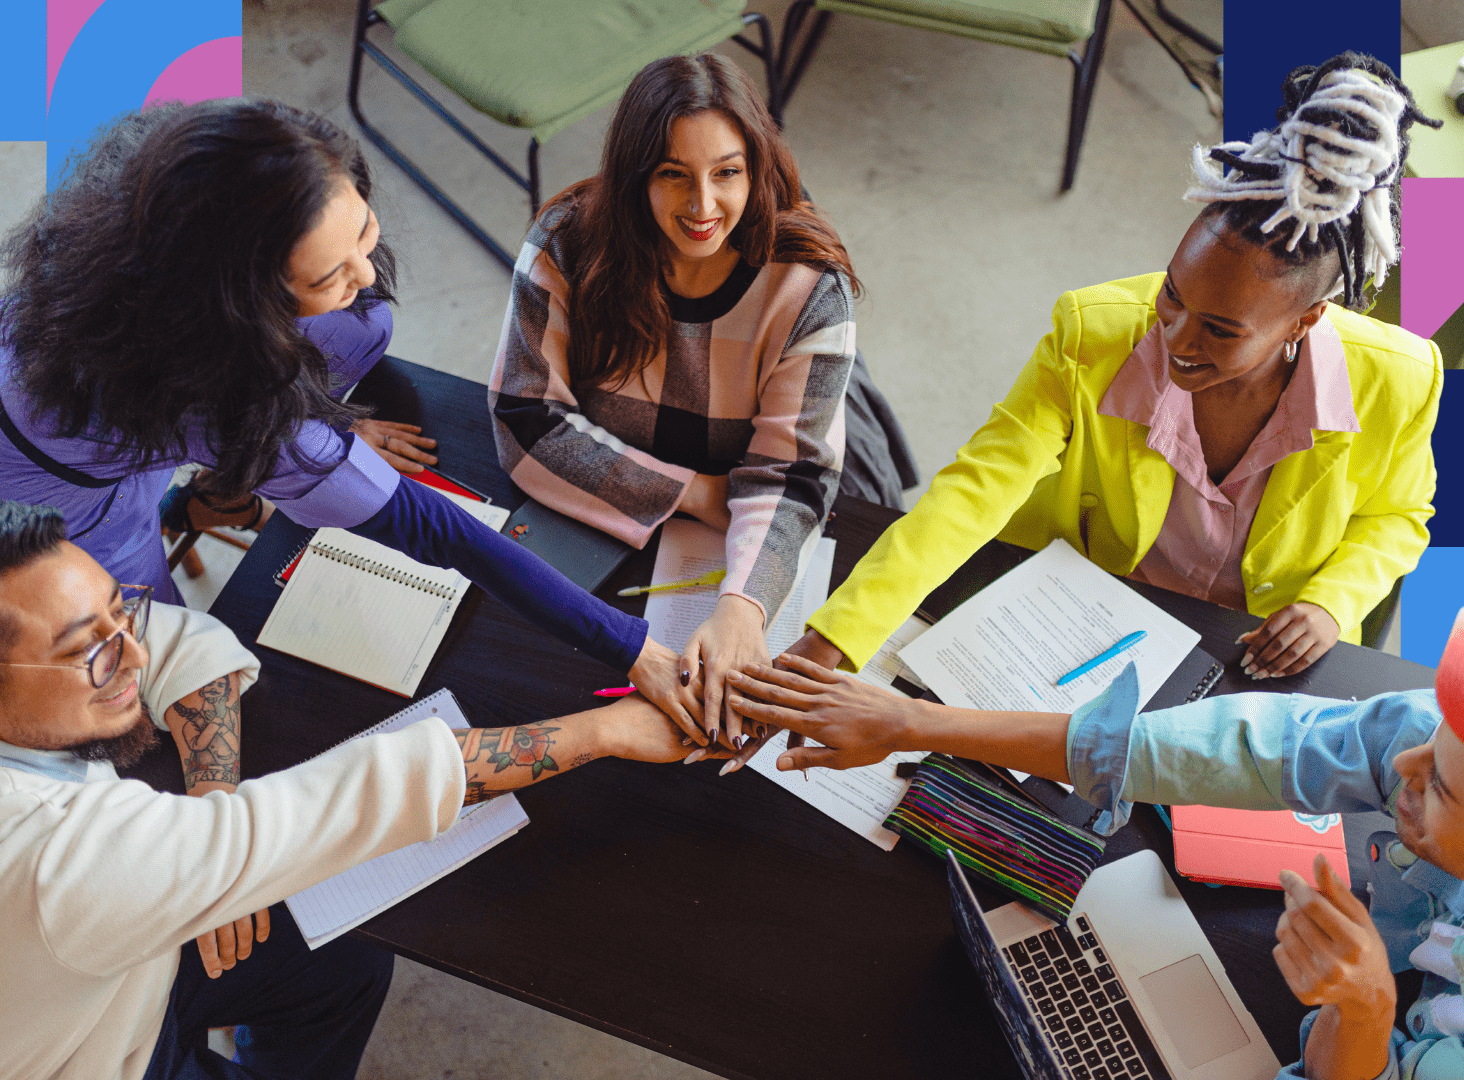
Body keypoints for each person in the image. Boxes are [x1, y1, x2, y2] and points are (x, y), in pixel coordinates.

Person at [756, 54, 1441, 761]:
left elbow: (1397, 517)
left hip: (1247, 660)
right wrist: (831, 641)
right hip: (1079, 621)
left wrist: (1333, 601)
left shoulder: (1399, 379)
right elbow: (973, 492)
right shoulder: (1093, 333)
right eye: (1173, 294)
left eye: (1221, 330)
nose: (1174, 338)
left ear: (1305, 323)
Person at [0, 99, 700, 738]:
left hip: (108, 404)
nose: (363, 274)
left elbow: (344, 319)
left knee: (363, 325)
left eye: (361, 233)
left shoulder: (169, 186)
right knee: (149, 652)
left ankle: (212, 498)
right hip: (61, 501)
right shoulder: (210, 387)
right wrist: (632, 645)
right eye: (325, 276)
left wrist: (316, 438)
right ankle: (198, 506)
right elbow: (433, 528)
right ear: (243, 310)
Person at [0, 501, 725, 1080]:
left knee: (345, 957)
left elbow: (181, 636)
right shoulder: (51, 856)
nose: (131, 651)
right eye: (87, 652)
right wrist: (606, 731)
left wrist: (210, 811)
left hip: (114, 975)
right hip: (92, 1053)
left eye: (118, 610)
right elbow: (348, 797)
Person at [723, 606, 1464, 1080]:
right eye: (1432, 736)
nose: (1404, 762)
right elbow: (1258, 748)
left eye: (1439, 785)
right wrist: (916, 724)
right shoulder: (1452, 742)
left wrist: (1363, 1011)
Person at [488, 54, 916, 749]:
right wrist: (693, 493)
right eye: (671, 175)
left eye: (727, 172)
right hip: (660, 496)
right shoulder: (567, 243)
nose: (702, 206)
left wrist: (744, 611)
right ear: (633, 176)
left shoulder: (810, 284)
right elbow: (524, 423)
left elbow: (793, 477)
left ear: (757, 166)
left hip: (784, 466)